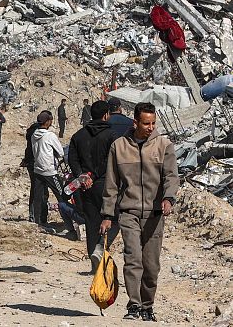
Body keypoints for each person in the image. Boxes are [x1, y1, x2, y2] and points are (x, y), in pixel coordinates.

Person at [101, 103, 179, 322]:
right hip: (129, 212)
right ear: (135, 122)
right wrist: (107, 215)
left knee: (151, 265)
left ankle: (147, 306)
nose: (150, 127)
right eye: (146, 123)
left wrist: (168, 198)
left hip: (154, 214)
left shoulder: (164, 145)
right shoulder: (119, 146)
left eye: (153, 123)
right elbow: (111, 183)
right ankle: (134, 304)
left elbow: (171, 176)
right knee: (133, 259)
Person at [67, 100, 119, 271]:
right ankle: (100, 248)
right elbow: (110, 160)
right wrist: (94, 175)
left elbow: (72, 159)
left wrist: (82, 176)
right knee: (114, 219)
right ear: (106, 115)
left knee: (91, 222)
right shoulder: (111, 136)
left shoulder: (78, 135)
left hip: (85, 187)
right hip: (106, 184)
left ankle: (94, 263)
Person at [31, 112, 78, 239]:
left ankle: (38, 221)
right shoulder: (50, 135)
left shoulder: (34, 134)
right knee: (62, 196)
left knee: (39, 196)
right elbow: (61, 152)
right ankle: (70, 226)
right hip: (50, 171)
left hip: (38, 170)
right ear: (47, 122)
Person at [22, 115, 47, 223]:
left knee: (35, 188)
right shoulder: (40, 133)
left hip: (31, 162)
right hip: (39, 163)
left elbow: (29, 148)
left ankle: (34, 215)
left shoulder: (31, 131)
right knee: (42, 190)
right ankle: (40, 217)